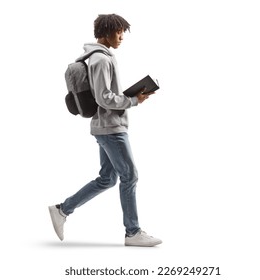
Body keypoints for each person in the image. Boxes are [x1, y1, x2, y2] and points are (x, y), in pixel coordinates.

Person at [48, 14, 162, 247]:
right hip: (111, 128)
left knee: (108, 179)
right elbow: (104, 98)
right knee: (130, 176)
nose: (121, 37)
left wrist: (131, 96)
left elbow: (105, 96)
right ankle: (133, 232)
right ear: (107, 31)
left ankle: (62, 210)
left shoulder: (99, 57)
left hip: (106, 126)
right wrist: (133, 101)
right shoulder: (101, 59)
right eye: (119, 31)